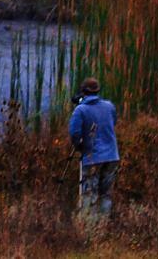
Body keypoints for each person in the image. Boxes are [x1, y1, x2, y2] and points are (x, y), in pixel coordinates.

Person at [67, 77, 119, 222]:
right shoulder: (109, 106)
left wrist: (80, 147)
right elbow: (113, 122)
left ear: (83, 92)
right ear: (97, 91)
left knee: (90, 194)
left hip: (92, 157)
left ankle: (89, 229)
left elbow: (74, 134)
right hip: (112, 156)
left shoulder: (81, 110)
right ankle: (103, 225)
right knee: (106, 194)